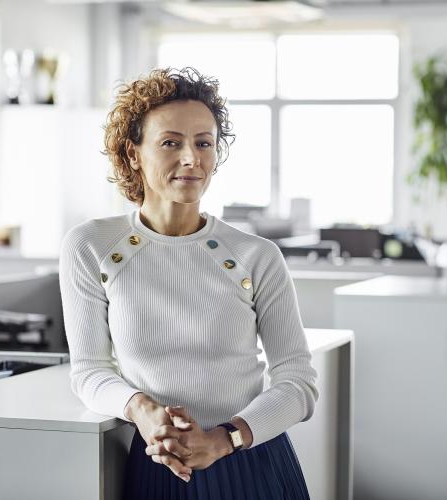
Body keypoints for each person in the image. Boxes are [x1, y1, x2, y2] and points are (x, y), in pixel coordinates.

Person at [59, 67, 319, 499]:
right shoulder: (91, 246)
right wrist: (140, 410)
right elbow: (88, 372)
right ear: (133, 153)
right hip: (159, 466)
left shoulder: (257, 255)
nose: (190, 159)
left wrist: (224, 439)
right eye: (170, 143)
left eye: (203, 143)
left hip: (251, 464)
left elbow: (298, 382)